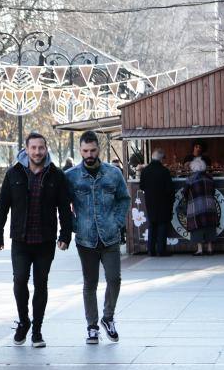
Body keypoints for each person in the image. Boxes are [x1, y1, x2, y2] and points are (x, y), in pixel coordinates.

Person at [0, 132, 72, 348]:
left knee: (41, 284)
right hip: (21, 239)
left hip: (45, 240)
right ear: (26, 150)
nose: (37, 152)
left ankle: (37, 330)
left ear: (46, 149)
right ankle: (24, 321)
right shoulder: (14, 173)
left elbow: (65, 208)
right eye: (33, 148)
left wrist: (65, 235)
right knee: (19, 281)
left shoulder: (56, 175)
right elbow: (2, 207)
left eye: (41, 148)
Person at [65, 131, 130, 345]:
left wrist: (117, 222)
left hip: (110, 237)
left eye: (92, 150)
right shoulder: (72, 176)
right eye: (85, 151)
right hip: (86, 239)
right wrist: (75, 226)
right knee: (89, 283)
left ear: (98, 149)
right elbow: (63, 206)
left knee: (114, 279)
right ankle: (92, 326)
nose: (89, 154)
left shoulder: (113, 173)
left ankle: (108, 317)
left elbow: (124, 199)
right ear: (80, 150)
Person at [140, 149, 175, 257]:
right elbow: (169, 188)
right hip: (163, 202)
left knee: (152, 225)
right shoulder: (164, 171)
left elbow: (142, 186)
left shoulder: (145, 171)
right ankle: (161, 250)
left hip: (150, 201)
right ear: (160, 158)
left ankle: (151, 250)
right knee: (162, 225)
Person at [184, 157, 219, 256]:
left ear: (193, 168)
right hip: (210, 205)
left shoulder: (190, 179)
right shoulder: (209, 178)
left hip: (196, 206)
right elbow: (213, 191)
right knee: (210, 226)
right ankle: (210, 248)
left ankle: (200, 250)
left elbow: (185, 193)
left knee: (197, 227)